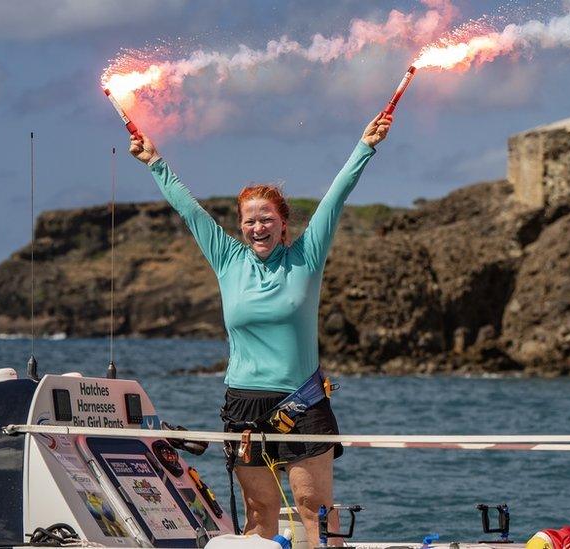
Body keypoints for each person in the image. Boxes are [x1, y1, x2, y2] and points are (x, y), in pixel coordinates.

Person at [129, 112, 393, 543]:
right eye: (250, 220)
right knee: (259, 513)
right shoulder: (228, 259)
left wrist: (366, 145)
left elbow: (336, 196)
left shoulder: (307, 257)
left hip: (302, 404)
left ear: (283, 222)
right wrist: (154, 161)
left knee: (315, 511)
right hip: (244, 408)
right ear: (240, 226)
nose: (258, 227)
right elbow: (188, 210)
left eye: (267, 218)